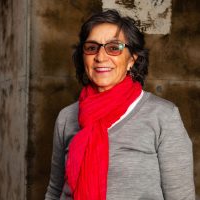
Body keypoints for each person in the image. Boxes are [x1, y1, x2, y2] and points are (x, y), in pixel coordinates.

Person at [45, 9, 195, 200]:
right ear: (83, 58)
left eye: (114, 47)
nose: (100, 57)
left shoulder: (163, 116)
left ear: (132, 59)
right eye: (92, 47)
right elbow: (54, 191)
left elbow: (181, 197)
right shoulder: (66, 117)